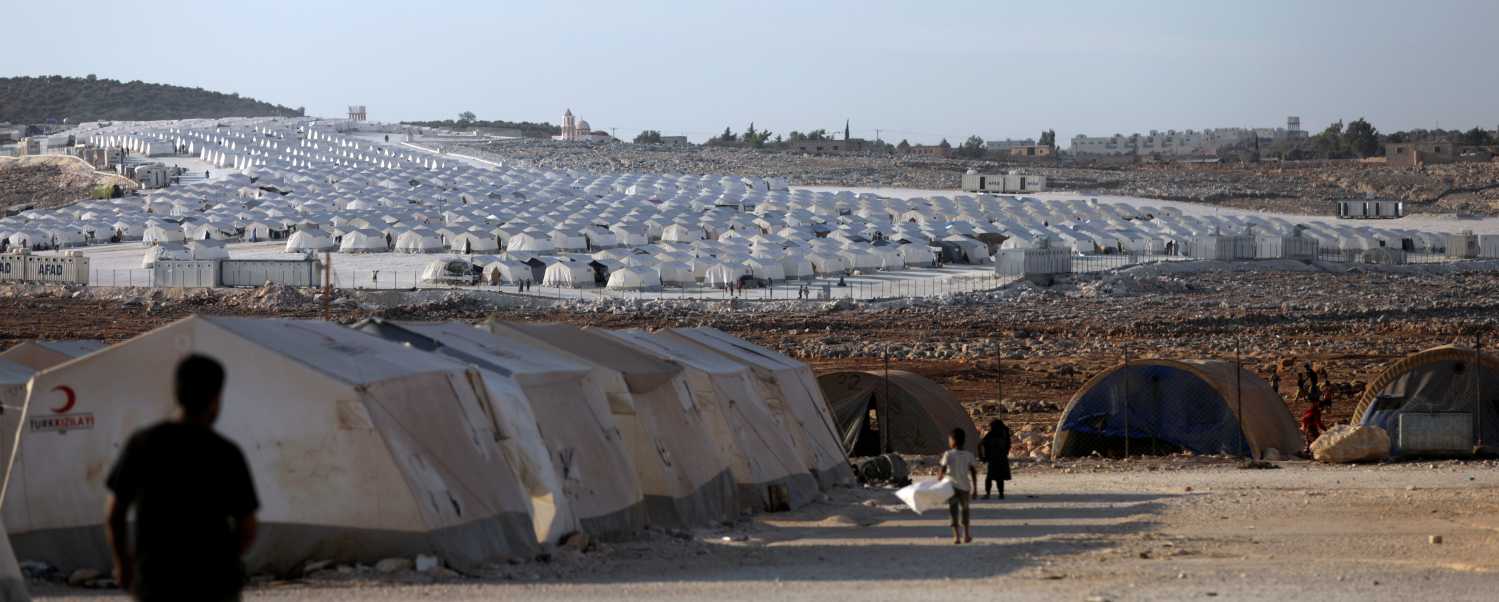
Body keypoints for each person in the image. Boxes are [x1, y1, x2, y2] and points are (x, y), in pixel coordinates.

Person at [106, 355, 259, 602]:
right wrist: (222, 561)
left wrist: (123, 563)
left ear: (177, 392)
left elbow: (115, 514)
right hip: (214, 586)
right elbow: (247, 527)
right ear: (215, 398)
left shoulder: (143, 444)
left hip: (156, 582)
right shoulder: (225, 453)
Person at [936, 428, 977, 544]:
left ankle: (957, 537)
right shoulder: (969, 455)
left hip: (952, 487)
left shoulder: (948, 454)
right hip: (965, 488)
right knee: (965, 511)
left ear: (953, 440)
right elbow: (973, 472)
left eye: (949, 439)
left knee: (953, 511)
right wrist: (975, 489)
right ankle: (967, 535)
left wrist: (939, 479)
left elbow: (942, 469)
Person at [978, 419, 1012, 500]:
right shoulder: (1004, 434)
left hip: (993, 458)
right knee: (999, 478)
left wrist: (982, 457)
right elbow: (1008, 445)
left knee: (989, 477)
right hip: (1002, 458)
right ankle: (1001, 494)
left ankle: (988, 493)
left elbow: (981, 444)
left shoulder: (992, 434)